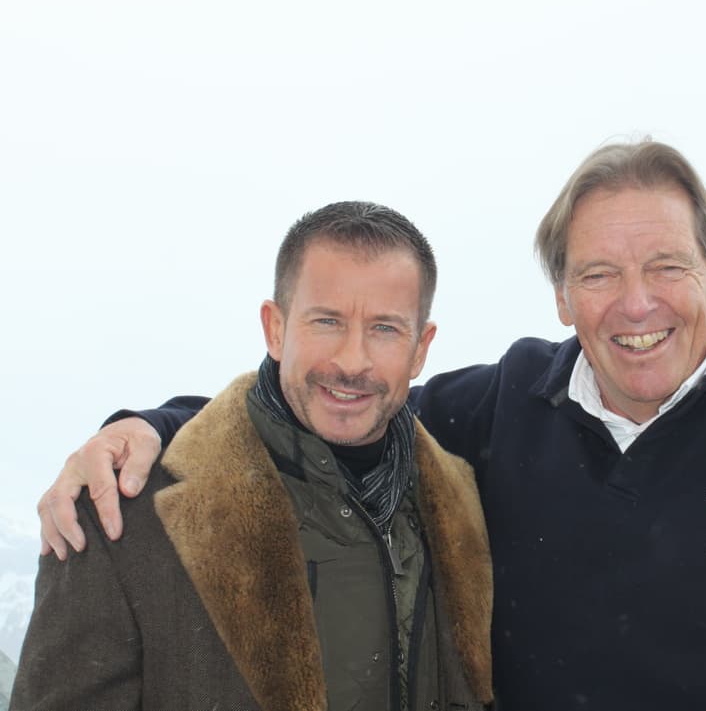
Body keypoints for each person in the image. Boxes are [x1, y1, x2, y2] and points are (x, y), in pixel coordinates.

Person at [37, 142, 706, 710]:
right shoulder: (509, 403)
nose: (635, 302)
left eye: (668, 265)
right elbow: (339, 405)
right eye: (597, 272)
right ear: (562, 296)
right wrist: (153, 426)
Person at [13, 201, 495, 711]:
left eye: (385, 329)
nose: (353, 361)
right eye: (327, 321)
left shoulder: (465, 504)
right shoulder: (124, 511)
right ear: (274, 328)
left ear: (421, 348)